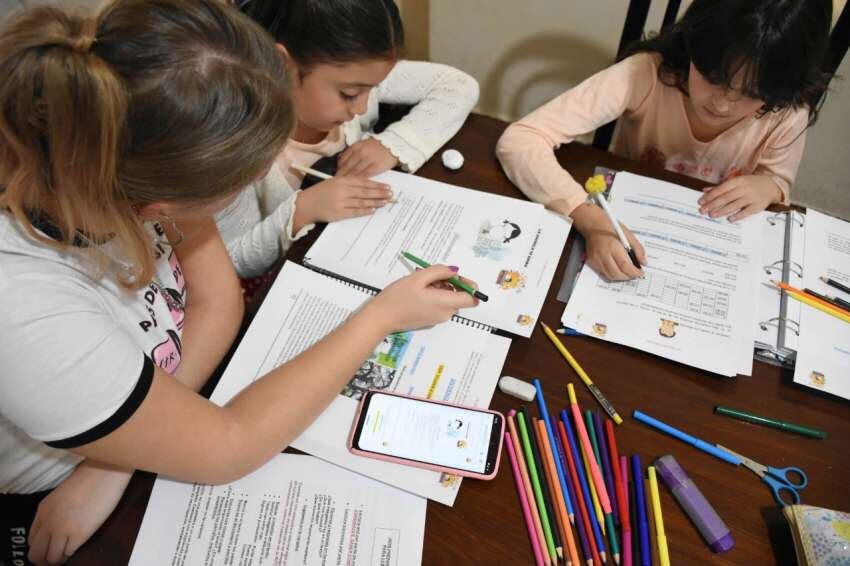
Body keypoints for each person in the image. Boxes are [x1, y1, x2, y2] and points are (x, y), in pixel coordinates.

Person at [0, 1, 475, 564]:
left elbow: (219, 299)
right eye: (236, 183)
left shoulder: (128, 154)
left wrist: (121, 458)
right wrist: (379, 318)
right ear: (159, 201)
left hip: (124, 437)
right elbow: (227, 446)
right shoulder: (24, 305)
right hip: (49, 492)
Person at [496, 0, 832, 281]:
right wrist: (588, 218)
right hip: (627, 224)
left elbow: (778, 179)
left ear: (785, 88)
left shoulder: (786, 111)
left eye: (752, 94)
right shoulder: (645, 74)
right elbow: (521, 140)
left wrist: (770, 185)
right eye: (713, 78)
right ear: (693, 44)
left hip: (712, 253)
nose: (723, 103)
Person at [216, 0, 480, 281]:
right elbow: (230, 261)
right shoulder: (239, 152)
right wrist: (301, 210)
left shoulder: (354, 73)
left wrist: (393, 143)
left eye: (374, 88)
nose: (362, 108)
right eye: (350, 94)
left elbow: (459, 86)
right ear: (283, 65)